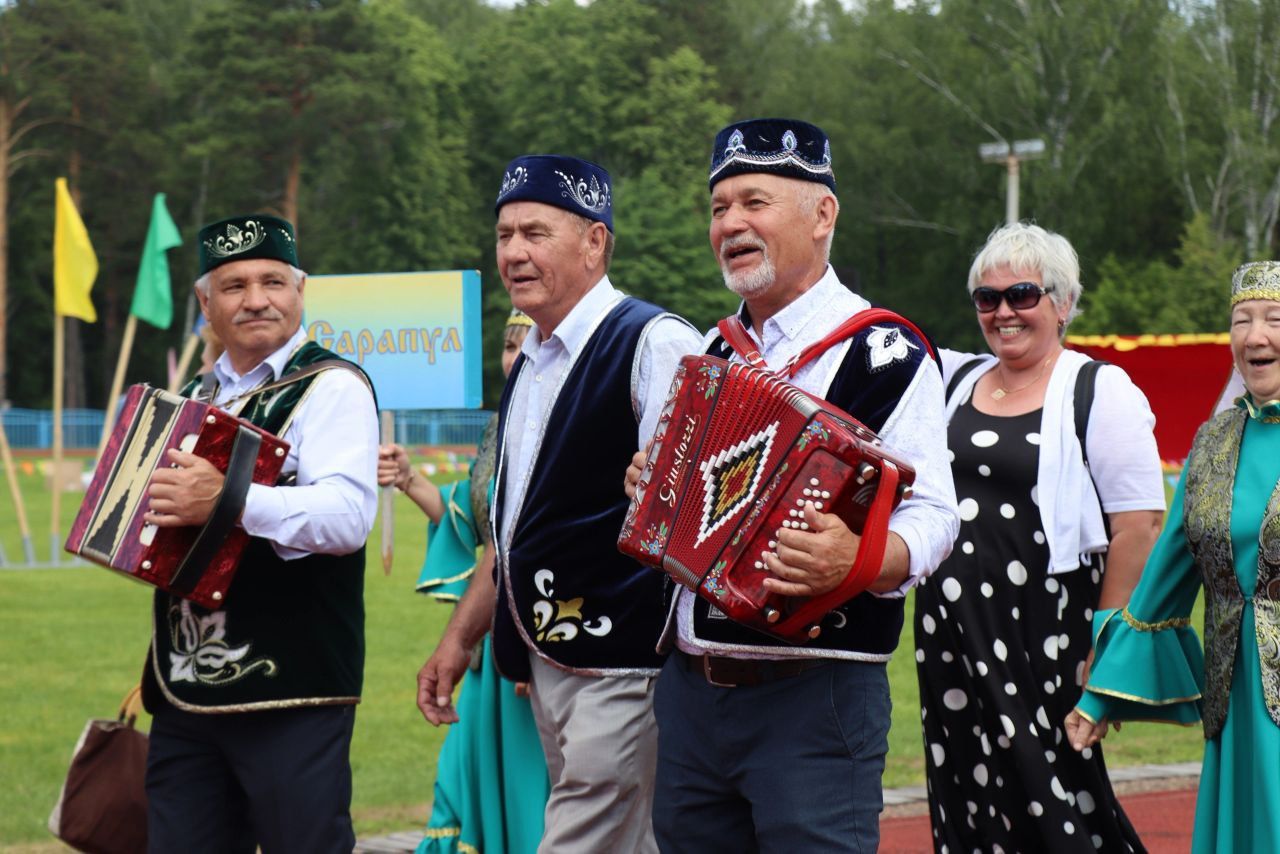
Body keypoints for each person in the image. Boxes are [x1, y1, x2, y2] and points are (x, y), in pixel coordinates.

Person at [636, 118, 960, 852]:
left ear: (823, 215)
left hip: (815, 695)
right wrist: (652, 482)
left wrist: (861, 561)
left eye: (754, 201)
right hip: (691, 693)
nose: (730, 224)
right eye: (719, 208)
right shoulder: (715, 351)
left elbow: (937, 514)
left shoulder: (887, 351)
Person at [415, 154, 702, 853]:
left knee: (582, 835)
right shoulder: (535, 361)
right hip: (546, 663)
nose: (513, 252)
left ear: (595, 241)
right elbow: (516, 531)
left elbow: (697, 513)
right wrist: (461, 637)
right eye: (505, 234)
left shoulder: (654, 343)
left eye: (535, 233)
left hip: (628, 663)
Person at [916, 222, 1165, 852]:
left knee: (1054, 796)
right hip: (949, 632)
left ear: (1062, 303)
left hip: (1043, 635)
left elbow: (1139, 525)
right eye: (987, 298)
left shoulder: (1099, 390)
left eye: (1022, 295)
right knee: (966, 793)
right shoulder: (953, 381)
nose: (1003, 312)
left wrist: (1105, 646)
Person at [140, 214, 379, 853]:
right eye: (233, 284)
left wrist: (230, 499)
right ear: (205, 303)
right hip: (182, 686)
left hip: (291, 686)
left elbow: (348, 518)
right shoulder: (191, 395)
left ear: (300, 288)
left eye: (272, 280)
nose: (255, 299)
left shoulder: (333, 386)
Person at [1066, 261, 1280, 853]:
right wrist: (1099, 695)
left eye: (1274, 320)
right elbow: (1162, 582)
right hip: (1236, 702)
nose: (1255, 336)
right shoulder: (1213, 444)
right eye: (1242, 320)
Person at [379, 308, 549, 853]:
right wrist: (407, 479)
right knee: (464, 783)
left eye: (531, 343)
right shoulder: (501, 424)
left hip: (537, 640)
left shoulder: (558, 420)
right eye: (508, 345)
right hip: (483, 647)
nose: (516, 355)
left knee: (530, 795)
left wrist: (536, 642)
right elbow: (474, 520)